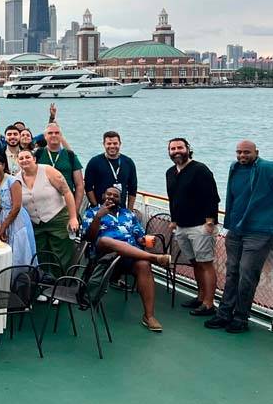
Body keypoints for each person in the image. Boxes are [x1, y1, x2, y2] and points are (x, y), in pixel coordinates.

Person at [205, 140, 273, 333]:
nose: (242, 156)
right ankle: (224, 314)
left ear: (256, 152)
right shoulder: (234, 167)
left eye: (246, 153)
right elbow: (233, 196)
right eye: (239, 152)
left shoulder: (268, 168)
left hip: (259, 231)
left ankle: (241, 318)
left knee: (247, 276)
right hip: (236, 229)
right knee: (232, 272)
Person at [82, 186, 171, 332]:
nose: (111, 197)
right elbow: (89, 238)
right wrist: (98, 217)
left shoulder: (128, 214)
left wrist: (144, 240)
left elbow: (139, 236)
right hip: (104, 256)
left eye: (115, 196)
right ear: (103, 196)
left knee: (143, 265)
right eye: (108, 194)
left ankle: (149, 316)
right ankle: (155, 258)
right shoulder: (92, 212)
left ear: (120, 199)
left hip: (129, 257)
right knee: (105, 240)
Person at [165, 138, 220, 316]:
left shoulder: (200, 170)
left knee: (205, 263)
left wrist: (210, 222)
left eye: (180, 147)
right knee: (195, 263)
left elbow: (212, 197)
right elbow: (173, 198)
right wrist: (174, 220)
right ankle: (200, 297)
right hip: (181, 227)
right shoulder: (170, 173)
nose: (176, 151)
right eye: (172, 149)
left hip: (201, 226)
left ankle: (209, 303)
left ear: (188, 149)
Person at [15, 151, 78, 274]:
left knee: (60, 255)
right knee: (40, 254)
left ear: (34, 159)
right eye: (21, 158)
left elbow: (67, 192)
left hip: (57, 218)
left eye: (27, 157)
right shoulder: (16, 179)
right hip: (36, 224)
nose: (24, 160)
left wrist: (73, 217)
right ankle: (44, 282)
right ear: (18, 162)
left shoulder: (48, 171)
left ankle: (62, 283)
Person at [0, 154, 35, 267]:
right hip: (2, 220)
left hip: (17, 220)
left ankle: (21, 280)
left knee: (20, 252)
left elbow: (16, 206)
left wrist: (3, 227)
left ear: (3, 165)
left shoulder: (12, 181)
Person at [35, 123, 85, 212]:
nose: (54, 135)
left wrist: (75, 210)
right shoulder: (38, 154)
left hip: (66, 204)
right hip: (43, 205)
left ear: (61, 136)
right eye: (50, 133)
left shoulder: (70, 155)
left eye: (57, 133)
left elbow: (79, 185)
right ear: (45, 136)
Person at [85, 131, 138, 209]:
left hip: (121, 210)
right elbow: (88, 187)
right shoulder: (94, 162)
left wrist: (129, 210)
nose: (112, 146)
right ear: (104, 144)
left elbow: (132, 188)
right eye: (109, 144)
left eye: (115, 143)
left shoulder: (128, 162)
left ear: (120, 144)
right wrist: (95, 206)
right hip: (99, 208)